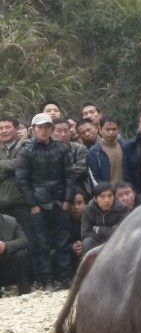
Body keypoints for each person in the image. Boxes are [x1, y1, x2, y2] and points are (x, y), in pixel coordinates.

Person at [15, 113, 76, 291]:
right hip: (38, 205)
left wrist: (67, 200)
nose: (44, 130)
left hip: (59, 201)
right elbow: (22, 181)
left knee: (63, 242)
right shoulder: (26, 151)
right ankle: (46, 280)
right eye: (40, 127)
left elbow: (70, 176)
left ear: (52, 129)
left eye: (47, 127)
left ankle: (65, 277)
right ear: (33, 129)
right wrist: (32, 205)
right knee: (41, 244)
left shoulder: (62, 148)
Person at [0, 116, 32, 269]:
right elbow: (15, 166)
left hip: (21, 201)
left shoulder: (25, 145)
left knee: (27, 239)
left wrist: (2, 166)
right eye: (1, 128)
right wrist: (11, 168)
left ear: (16, 128)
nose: (4, 131)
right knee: (5, 242)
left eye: (7, 127)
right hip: (2, 205)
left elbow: (22, 165)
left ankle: (31, 278)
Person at [81, 182, 130, 253]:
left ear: (114, 197)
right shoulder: (88, 210)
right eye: (102, 196)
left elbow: (122, 232)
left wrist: (98, 229)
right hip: (97, 242)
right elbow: (85, 233)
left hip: (116, 242)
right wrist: (106, 236)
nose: (107, 200)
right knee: (87, 242)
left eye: (110, 196)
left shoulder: (123, 209)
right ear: (95, 199)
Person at [52, 118, 89, 197]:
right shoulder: (44, 151)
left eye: (66, 131)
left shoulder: (80, 149)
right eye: (59, 131)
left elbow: (81, 170)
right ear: (51, 132)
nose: (63, 134)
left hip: (77, 189)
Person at [87, 115, 126, 190]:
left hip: (126, 191)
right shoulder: (94, 152)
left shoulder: (125, 147)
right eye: (107, 129)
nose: (111, 132)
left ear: (118, 129)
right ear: (100, 130)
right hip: (107, 194)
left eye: (114, 129)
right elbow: (94, 178)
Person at [0, 213, 31, 296]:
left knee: (21, 254)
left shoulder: (11, 221)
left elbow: (23, 240)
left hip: (7, 259)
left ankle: (24, 288)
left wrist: (5, 245)